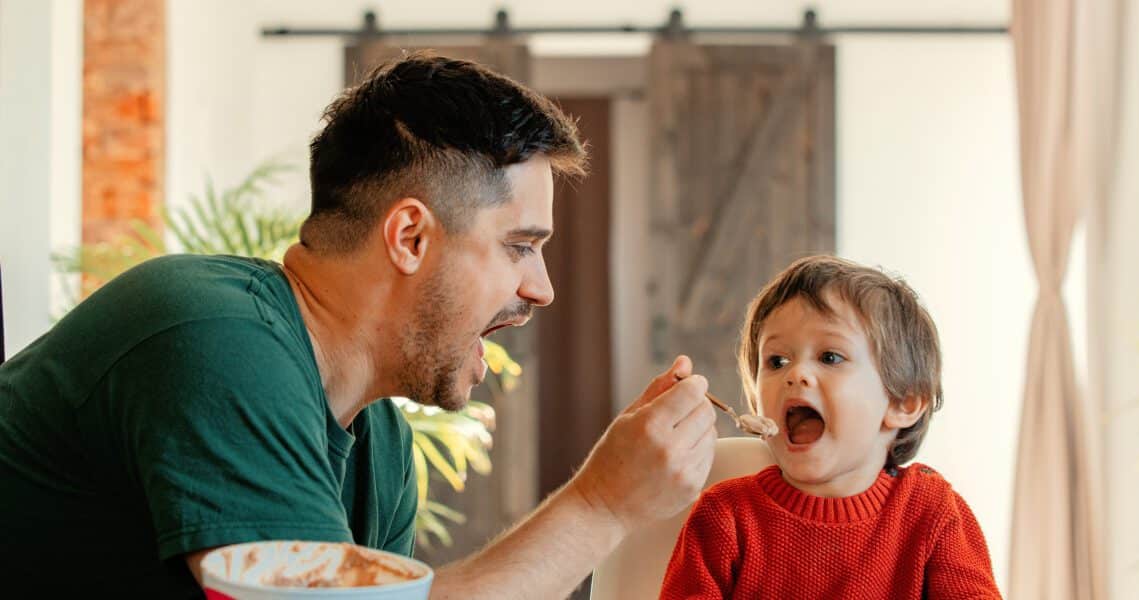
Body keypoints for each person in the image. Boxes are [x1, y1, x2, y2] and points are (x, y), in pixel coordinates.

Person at [0, 53, 717, 597]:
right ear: (410, 237)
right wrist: (602, 504)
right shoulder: (215, 338)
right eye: (520, 246)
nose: (543, 289)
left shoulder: (380, 448)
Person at [660, 255, 1000, 599]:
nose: (796, 374)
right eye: (777, 361)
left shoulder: (932, 511)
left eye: (830, 357)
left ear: (903, 403)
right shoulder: (725, 515)